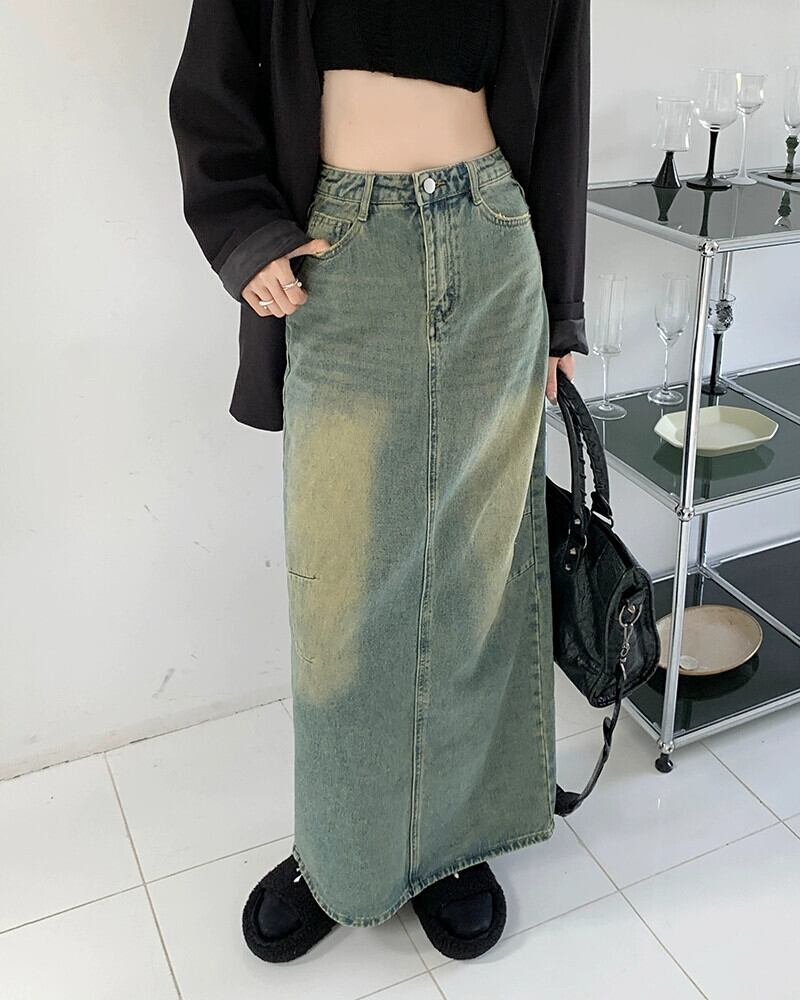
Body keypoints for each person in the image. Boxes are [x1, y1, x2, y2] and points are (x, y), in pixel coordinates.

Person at [169, 0, 590, 964]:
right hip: (341, 254)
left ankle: (450, 843)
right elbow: (213, 78)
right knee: (340, 589)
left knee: (475, 573)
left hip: (493, 240)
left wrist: (560, 310)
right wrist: (245, 232)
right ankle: (339, 855)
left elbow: (560, 96)